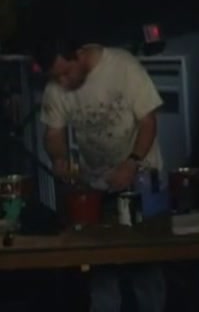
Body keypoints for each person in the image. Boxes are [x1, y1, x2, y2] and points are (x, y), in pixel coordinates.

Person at [34, 38, 166, 312]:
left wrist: (131, 163)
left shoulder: (123, 66)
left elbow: (148, 122)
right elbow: (53, 133)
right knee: (102, 269)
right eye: (56, 77)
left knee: (146, 266)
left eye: (66, 73)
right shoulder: (57, 86)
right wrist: (59, 158)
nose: (62, 81)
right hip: (96, 185)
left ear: (79, 54)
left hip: (142, 177)